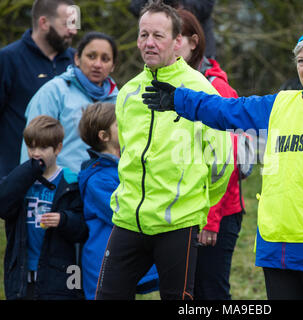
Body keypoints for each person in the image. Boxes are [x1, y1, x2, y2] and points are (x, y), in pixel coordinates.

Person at [144, 25, 303, 300]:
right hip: (277, 251)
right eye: (300, 60)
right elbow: (227, 110)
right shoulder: (281, 105)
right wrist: (179, 99)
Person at [95, 1, 233, 300]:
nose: (149, 43)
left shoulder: (201, 90)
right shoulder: (128, 93)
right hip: (129, 218)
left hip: (178, 224)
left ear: (176, 40)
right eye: (143, 35)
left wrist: (199, 204)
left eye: (158, 35)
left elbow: (223, 161)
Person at [175, 8, 250, 300]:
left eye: (176, 36)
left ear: (194, 42)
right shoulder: (164, 85)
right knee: (185, 293)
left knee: (211, 293)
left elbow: (226, 163)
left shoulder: (217, 88)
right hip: (181, 210)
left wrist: (211, 220)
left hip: (217, 214)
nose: (167, 42)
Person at [77, 102, 159, 300]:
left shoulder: (122, 168)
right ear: (104, 137)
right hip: (103, 264)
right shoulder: (98, 179)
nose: (128, 126)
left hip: (123, 261)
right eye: (120, 123)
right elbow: (124, 212)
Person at [0, 115, 88, 300]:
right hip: (22, 276)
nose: (36, 153)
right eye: (31, 147)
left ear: (58, 148)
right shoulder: (20, 181)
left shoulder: (70, 183)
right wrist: (28, 171)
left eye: (43, 147)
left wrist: (63, 219)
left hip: (59, 277)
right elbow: (4, 205)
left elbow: (82, 228)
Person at [20, 31, 119, 174]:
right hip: (60, 188)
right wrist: (27, 184)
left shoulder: (119, 99)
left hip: (105, 185)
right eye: (91, 56)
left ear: (113, 65)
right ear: (77, 58)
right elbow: (32, 143)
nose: (97, 64)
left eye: (105, 59)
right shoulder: (53, 92)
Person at [0, 0, 77, 178]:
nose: (73, 31)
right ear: (44, 23)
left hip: (65, 183)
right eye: (67, 24)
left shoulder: (77, 61)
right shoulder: (8, 60)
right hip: (14, 178)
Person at [129, 0, 217, 58]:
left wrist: (175, 4)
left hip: (198, 52)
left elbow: (204, 7)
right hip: (160, 51)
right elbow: (135, 7)